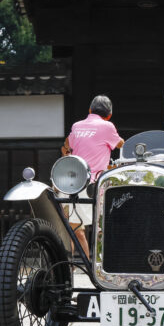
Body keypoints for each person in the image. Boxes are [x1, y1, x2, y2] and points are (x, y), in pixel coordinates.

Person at [64, 95, 124, 258]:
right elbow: (121, 145)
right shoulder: (107, 126)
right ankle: (91, 263)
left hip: (69, 180)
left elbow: (66, 146)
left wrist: (71, 155)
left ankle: (74, 264)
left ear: (89, 110)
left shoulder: (76, 126)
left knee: (72, 227)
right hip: (91, 183)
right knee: (90, 227)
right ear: (109, 115)